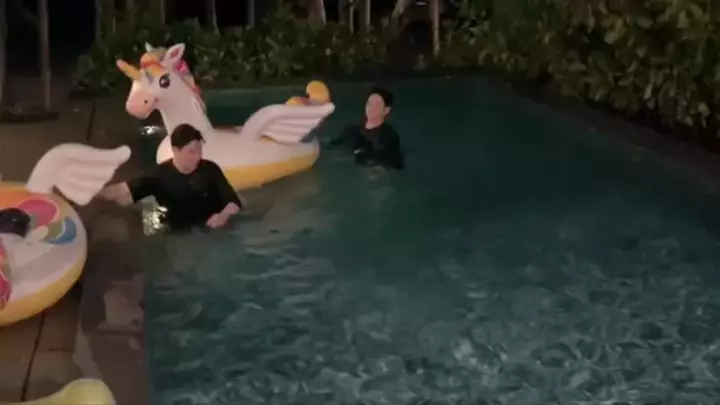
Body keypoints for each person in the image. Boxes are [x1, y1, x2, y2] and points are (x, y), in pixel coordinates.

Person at [97, 124, 242, 230]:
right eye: (191, 152)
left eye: (199, 150)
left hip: (215, 229)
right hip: (181, 234)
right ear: (175, 150)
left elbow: (233, 202)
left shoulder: (210, 169)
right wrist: (92, 193)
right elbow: (121, 190)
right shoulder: (159, 176)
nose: (198, 156)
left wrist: (223, 216)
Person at [329, 85, 405, 170]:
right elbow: (331, 149)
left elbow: (395, 162)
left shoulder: (390, 136)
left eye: (377, 104)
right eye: (370, 103)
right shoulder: (351, 131)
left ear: (386, 110)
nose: (371, 107)